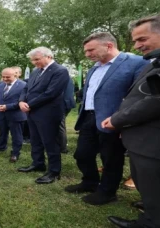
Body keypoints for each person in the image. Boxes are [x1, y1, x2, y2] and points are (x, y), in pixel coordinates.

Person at [65, 32, 148, 206]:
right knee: (82, 154)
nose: (87, 55)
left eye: (91, 50)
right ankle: (90, 182)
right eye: (86, 51)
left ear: (109, 45)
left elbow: (138, 96)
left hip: (113, 120)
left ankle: (107, 192)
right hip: (88, 117)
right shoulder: (95, 67)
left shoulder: (136, 63)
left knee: (111, 158)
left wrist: (123, 121)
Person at [101, 14, 160, 228]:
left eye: (142, 39)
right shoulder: (153, 62)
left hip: (152, 142)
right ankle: (151, 207)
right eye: (135, 40)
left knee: (152, 182)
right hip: (142, 137)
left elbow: (154, 102)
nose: (136, 46)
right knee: (148, 184)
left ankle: (149, 222)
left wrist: (118, 120)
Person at [17, 47, 69, 184]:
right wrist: (21, 101)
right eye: (33, 60)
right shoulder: (35, 71)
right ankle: (38, 163)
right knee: (35, 140)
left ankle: (54, 171)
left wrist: (29, 104)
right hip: (33, 112)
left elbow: (51, 93)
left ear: (49, 57)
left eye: (37, 59)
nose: (34, 63)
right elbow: (26, 87)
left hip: (48, 112)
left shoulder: (60, 71)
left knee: (50, 142)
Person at [0, 68, 27, 162]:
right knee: (2, 133)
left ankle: (15, 153)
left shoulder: (23, 85)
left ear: (15, 75)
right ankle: (1, 148)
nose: (5, 79)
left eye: (8, 77)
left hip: (16, 115)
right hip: (1, 114)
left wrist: (7, 106)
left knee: (16, 135)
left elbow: (22, 100)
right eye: (3, 77)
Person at [57, 77, 76, 153]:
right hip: (67, 103)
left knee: (60, 126)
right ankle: (61, 145)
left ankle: (63, 147)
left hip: (62, 104)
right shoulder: (69, 78)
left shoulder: (61, 78)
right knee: (60, 125)